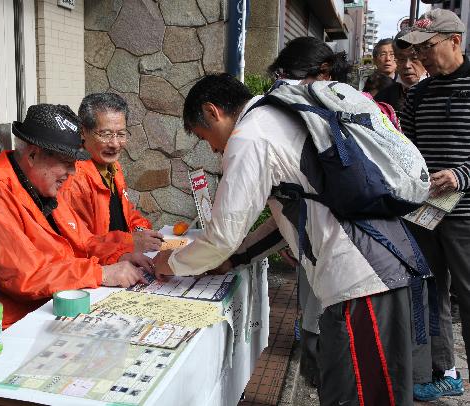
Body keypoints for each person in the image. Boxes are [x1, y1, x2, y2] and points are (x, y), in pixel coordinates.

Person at [155, 37, 422, 405]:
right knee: (353, 389)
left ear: (213, 111)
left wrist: (169, 263)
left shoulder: (251, 136)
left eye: (205, 137)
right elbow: (289, 216)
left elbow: (222, 236)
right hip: (374, 270)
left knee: (362, 395)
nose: (214, 148)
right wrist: (234, 259)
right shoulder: (276, 116)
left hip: (363, 279)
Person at [0, 104, 151, 359]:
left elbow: (83, 241)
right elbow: (25, 276)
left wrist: (120, 254)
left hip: (41, 310)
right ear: (32, 155)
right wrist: (102, 272)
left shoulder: (41, 185)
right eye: (66, 163)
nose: (72, 173)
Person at [398, 8, 469, 401]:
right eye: (415, 50)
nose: (418, 57)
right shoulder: (419, 93)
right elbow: (406, 149)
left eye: (427, 48)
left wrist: (462, 174)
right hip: (425, 210)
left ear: (455, 41)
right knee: (427, 292)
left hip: (466, 215)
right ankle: (443, 372)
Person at [63, 93, 163, 253]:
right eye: (106, 134)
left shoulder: (113, 166)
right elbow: (79, 246)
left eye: (121, 134)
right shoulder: (73, 180)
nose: (115, 144)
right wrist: (129, 242)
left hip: (125, 259)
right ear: (83, 132)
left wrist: (140, 231)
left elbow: (127, 214)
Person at [375, 28, 427, 115]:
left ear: (425, 57)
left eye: (414, 58)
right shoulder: (383, 98)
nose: (407, 65)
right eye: (401, 58)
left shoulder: (438, 92)